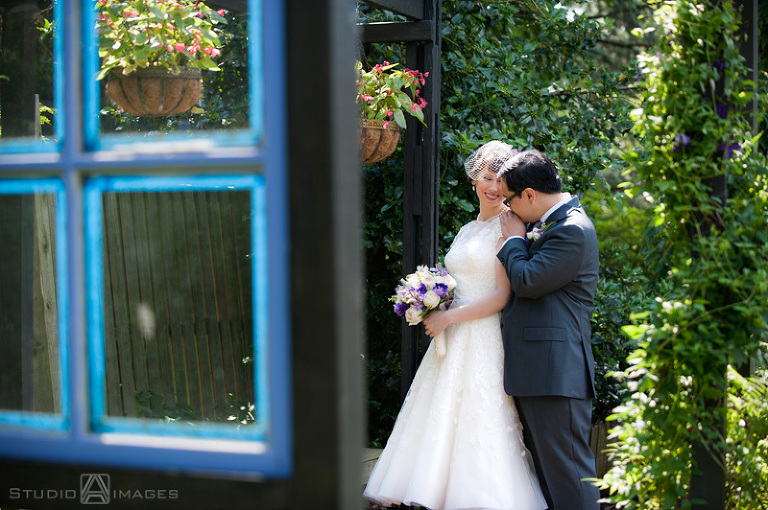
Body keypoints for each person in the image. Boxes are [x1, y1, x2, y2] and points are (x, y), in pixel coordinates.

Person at [363, 141, 547, 510]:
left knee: (480, 415)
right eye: (485, 178)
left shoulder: (508, 226)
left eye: (499, 180)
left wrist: (447, 316)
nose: (493, 188)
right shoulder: (467, 229)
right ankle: (432, 491)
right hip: (450, 334)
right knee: (438, 414)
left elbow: (501, 296)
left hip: (482, 335)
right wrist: (434, 299)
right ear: (473, 179)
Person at [495, 149, 601, 510]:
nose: (507, 211)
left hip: (556, 372)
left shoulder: (572, 230)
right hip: (540, 370)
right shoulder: (555, 224)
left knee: (570, 478)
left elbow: (527, 280)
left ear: (528, 195)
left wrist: (512, 240)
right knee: (550, 481)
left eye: (509, 200)